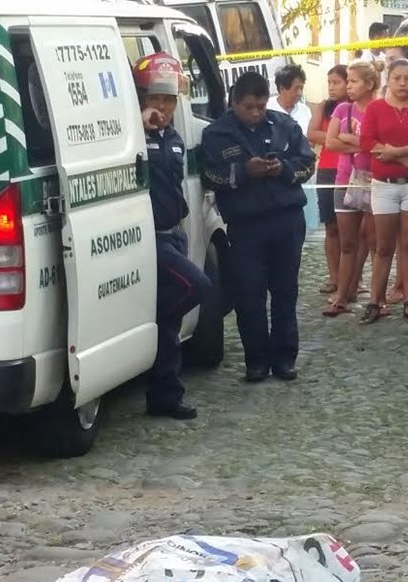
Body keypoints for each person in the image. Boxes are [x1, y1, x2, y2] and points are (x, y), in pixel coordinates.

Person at [202, 72, 316, 383]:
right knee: (249, 294)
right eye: (249, 107)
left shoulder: (284, 126)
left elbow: (308, 163)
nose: (256, 113)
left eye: (261, 106)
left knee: (285, 291)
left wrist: (283, 169)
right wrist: (242, 171)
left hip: (286, 219)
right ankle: (256, 361)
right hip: (245, 223)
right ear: (235, 102)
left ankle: (284, 359)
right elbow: (210, 175)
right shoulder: (217, 133)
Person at [132, 53, 211, 420]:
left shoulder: (175, 137)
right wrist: (139, 125)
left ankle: (165, 395)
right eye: (153, 99)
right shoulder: (133, 136)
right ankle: (148, 329)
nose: (161, 107)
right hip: (151, 239)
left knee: (173, 323)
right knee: (197, 286)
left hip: (173, 232)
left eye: (168, 100)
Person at [359, 59, 408, 324]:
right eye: (397, 78)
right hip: (384, 185)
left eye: (407, 78)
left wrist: (395, 152)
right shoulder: (376, 108)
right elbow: (367, 141)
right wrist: (403, 158)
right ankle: (374, 301)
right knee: (382, 246)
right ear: (388, 80)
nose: (403, 83)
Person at [323, 61, 378, 318]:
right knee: (347, 242)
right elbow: (331, 142)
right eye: (349, 81)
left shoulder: (379, 109)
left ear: (369, 84)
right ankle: (342, 296)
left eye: (354, 81)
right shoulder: (343, 110)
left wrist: (353, 140)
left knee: (376, 241)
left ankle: (376, 299)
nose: (349, 86)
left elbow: (381, 143)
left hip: (376, 180)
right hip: (345, 178)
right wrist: (360, 145)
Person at [308, 64, 349, 297]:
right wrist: (340, 139)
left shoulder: (354, 108)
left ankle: (352, 277)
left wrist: (335, 139)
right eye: (330, 82)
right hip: (326, 170)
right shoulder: (323, 107)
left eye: (337, 82)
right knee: (331, 226)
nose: (332, 87)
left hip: (350, 171)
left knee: (351, 230)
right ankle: (334, 276)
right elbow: (312, 133)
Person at [269, 64, 311, 132]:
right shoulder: (267, 108)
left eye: (301, 88)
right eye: (296, 88)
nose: (300, 93)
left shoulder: (305, 111)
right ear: (282, 88)